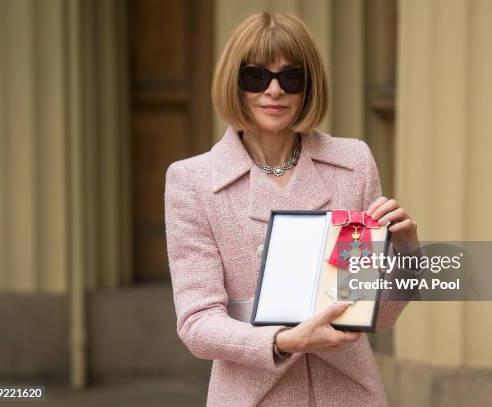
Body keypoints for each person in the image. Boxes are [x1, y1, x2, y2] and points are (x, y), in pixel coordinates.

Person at [164, 11, 420, 406]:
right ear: (233, 83)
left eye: (290, 77)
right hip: (252, 396)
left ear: (308, 85)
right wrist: (283, 341)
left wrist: (405, 254)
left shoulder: (353, 163)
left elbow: (379, 317)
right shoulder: (192, 180)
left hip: (350, 394)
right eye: (255, 76)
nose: (274, 90)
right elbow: (198, 324)